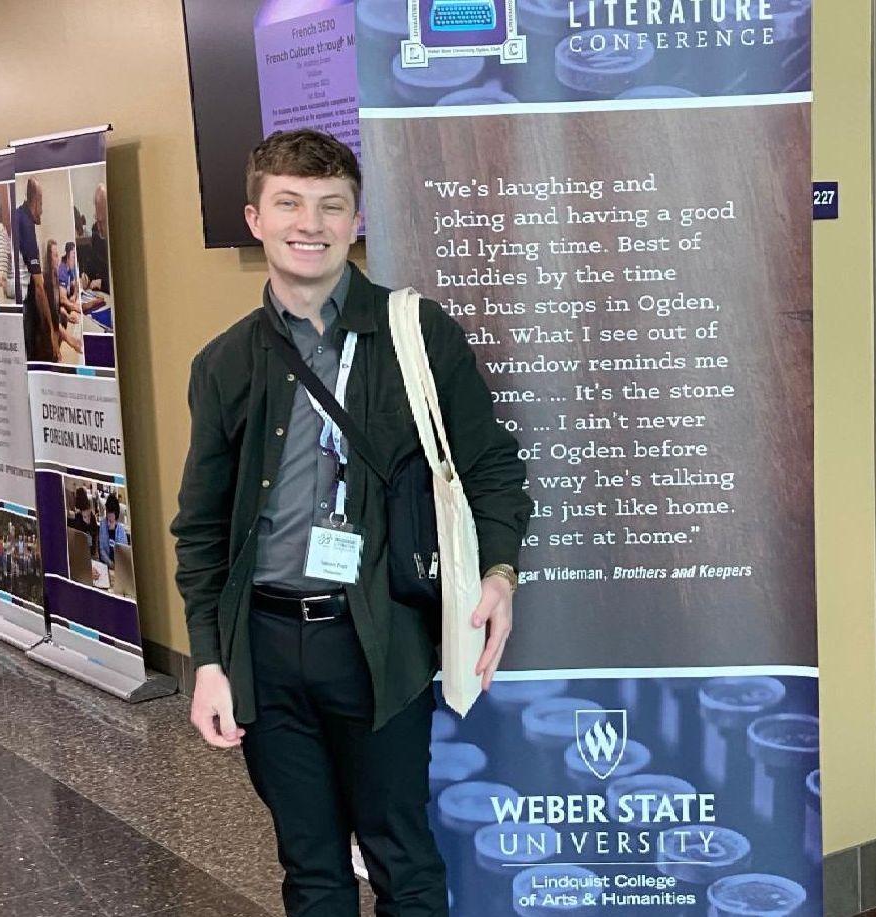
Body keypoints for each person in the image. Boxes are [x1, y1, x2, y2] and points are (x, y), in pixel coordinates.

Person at [171, 129, 532, 917]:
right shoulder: (225, 363)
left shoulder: (415, 334)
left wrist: (499, 574)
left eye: (331, 205)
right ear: (254, 217)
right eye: (289, 203)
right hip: (263, 647)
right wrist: (208, 660)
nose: (311, 222)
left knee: (400, 852)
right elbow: (199, 531)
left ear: (355, 220)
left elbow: (492, 466)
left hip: (378, 636)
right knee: (310, 866)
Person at [16, 177, 56, 362]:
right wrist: (52, 334)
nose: (43, 209)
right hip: (21, 306)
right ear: (36, 201)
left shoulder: (17, 215)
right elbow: (39, 288)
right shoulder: (26, 223)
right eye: (42, 204)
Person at [43, 240, 82, 357]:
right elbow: (51, 317)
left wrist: (68, 315)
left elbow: (57, 307)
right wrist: (70, 340)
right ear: (49, 260)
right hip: (51, 330)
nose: (58, 259)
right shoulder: (49, 281)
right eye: (55, 256)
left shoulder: (56, 277)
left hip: (58, 323)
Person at [81, 183, 110, 294]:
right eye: (96, 219)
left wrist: (102, 283)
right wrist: (86, 276)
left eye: (101, 221)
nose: (98, 227)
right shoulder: (95, 230)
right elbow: (93, 263)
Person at [69, 486, 99, 559]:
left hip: (82, 551)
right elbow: (94, 533)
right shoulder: (91, 514)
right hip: (91, 549)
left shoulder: (77, 517)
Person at [98, 493, 128, 567]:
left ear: (116, 516)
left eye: (111, 520)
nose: (108, 523)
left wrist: (116, 566)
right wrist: (110, 563)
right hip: (106, 564)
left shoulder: (121, 531)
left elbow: (124, 555)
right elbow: (101, 550)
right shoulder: (102, 525)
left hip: (119, 567)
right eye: (108, 518)